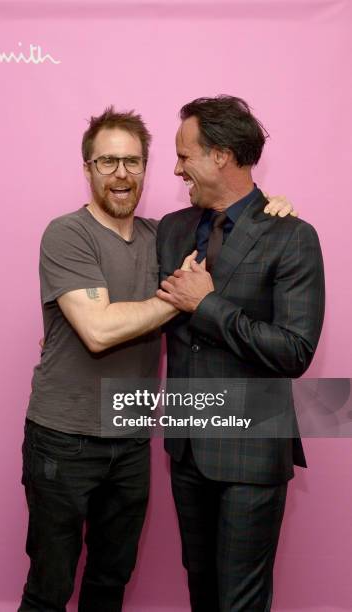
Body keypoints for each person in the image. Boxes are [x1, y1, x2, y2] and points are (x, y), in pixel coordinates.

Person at [18, 106, 295, 612]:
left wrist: (268, 209)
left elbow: (235, 239)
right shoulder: (67, 234)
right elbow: (98, 331)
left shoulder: (163, 235)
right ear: (87, 169)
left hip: (130, 441)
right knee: (49, 587)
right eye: (107, 162)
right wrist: (184, 299)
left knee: (110, 580)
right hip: (65, 438)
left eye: (133, 161)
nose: (122, 173)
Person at [156, 95, 325, 611]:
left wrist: (207, 305)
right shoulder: (172, 228)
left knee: (241, 602)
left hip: (252, 453)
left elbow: (294, 351)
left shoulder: (292, 236)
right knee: (201, 592)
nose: (176, 166)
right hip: (186, 448)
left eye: (185, 155)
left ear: (221, 156)